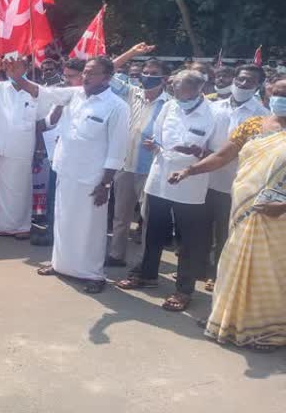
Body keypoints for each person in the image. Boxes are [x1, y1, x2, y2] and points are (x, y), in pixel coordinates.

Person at [167, 78, 286, 351]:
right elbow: (222, 156)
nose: (280, 97)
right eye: (276, 92)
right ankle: (226, 319)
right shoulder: (255, 125)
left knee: (270, 270)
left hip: (278, 217)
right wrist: (190, 170)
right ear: (267, 94)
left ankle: (267, 330)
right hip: (245, 207)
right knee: (233, 262)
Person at [117, 70, 219, 311]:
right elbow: (158, 136)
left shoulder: (215, 114)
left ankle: (184, 290)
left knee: (187, 240)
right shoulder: (169, 107)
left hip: (191, 182)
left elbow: (218, 154)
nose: (178, 98)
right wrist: (154, 146)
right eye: (175, 92)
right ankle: (147, 274)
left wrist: (198, 153)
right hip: (160, 176)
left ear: (198, 91)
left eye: (183, 94)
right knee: (152, 230)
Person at [36, 57, 130, 293]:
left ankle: (93, 274)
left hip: (93, 178)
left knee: (90, 229)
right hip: (66, 170)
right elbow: (42, 92)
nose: (86, 77)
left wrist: (106, 184)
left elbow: (117, 149)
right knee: (63, 220)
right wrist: (17, 77)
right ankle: (61, 265)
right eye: (85, 72)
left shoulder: (117, 106)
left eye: (92, 73)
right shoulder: (73, 95)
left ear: (107, 77)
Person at [0, 58, 56, 240]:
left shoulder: (36, 90)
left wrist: (40, 149)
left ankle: (22, 227)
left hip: (24, 146)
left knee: (21, 187)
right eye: (9, 65)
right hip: (0, 144)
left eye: (16, 65)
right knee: (2, 187)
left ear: (26, 67)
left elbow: (41, 123)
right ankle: (2, 225)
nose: (11, 68)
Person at [202, 65, 268, 291]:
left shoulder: (262, 116)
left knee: (224, 233)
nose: (242, 84)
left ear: (258, 86)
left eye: (249, 81)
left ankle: (217, 274)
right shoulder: (213, 107)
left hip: (233, 183)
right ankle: (198, 268)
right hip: (202, 179)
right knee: (199, 229)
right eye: (240, 79)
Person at [106, 56, 171, 267]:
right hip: (125, 165)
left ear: (165, 78)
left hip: (151, 169)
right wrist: (132, 52)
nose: (148, 77)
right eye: (146, 72)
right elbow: (108, 70)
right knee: (121, 216)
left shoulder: (171, 104)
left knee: (148, 219)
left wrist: (159, 146)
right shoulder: (132, 93)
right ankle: (116, 255)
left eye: (154, 74)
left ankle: (145, 263)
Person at [34, 57, 87, 246]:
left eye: (71, 77)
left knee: (77, 202)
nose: (66, 80)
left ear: (85, 76)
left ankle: (75, 238)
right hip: (58, 155)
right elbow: (50, 122)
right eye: (65, 76)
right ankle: (52, 233)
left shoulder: (93, 100)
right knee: (54, 197)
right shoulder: (64, 95)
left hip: (82, 161)